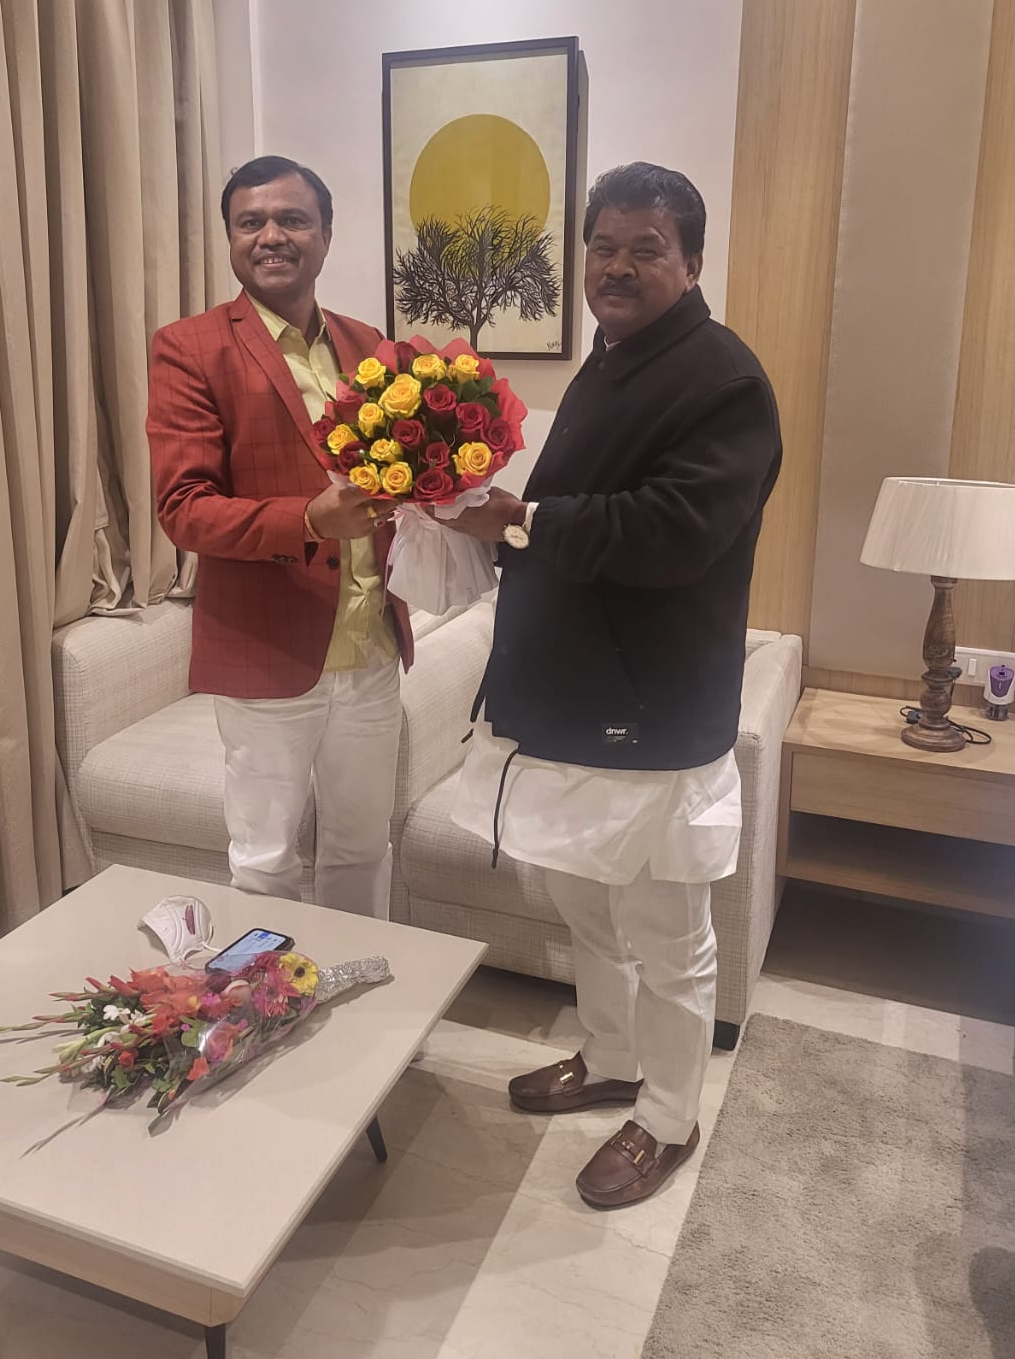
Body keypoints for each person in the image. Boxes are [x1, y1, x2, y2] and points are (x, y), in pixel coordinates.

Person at [446, 161, 781, 1208]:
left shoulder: (723, 380)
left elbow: (672, 533)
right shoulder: (614, 360)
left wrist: (521, 520)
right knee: (584, 904)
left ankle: (669, 1117)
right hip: (570, 699)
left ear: (692, 262)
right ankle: (609, 1058)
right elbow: (582, 511)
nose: (618, 267)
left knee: (668, 935)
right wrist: (497, 521)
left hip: (651, 711)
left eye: (647, 249)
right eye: (603, 247)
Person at [146, 155, 411, 920]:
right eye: (250, 222)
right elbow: (185, 508)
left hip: (371, 646)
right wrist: (308, 520)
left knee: (363, 847)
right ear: (231, 238)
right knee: (265, 861)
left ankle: (357, 984)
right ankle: (274, 996)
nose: (271, 236)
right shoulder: (189, 347)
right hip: (265, 649)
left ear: (325, 234)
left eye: (292, 219)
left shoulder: (370, 346)